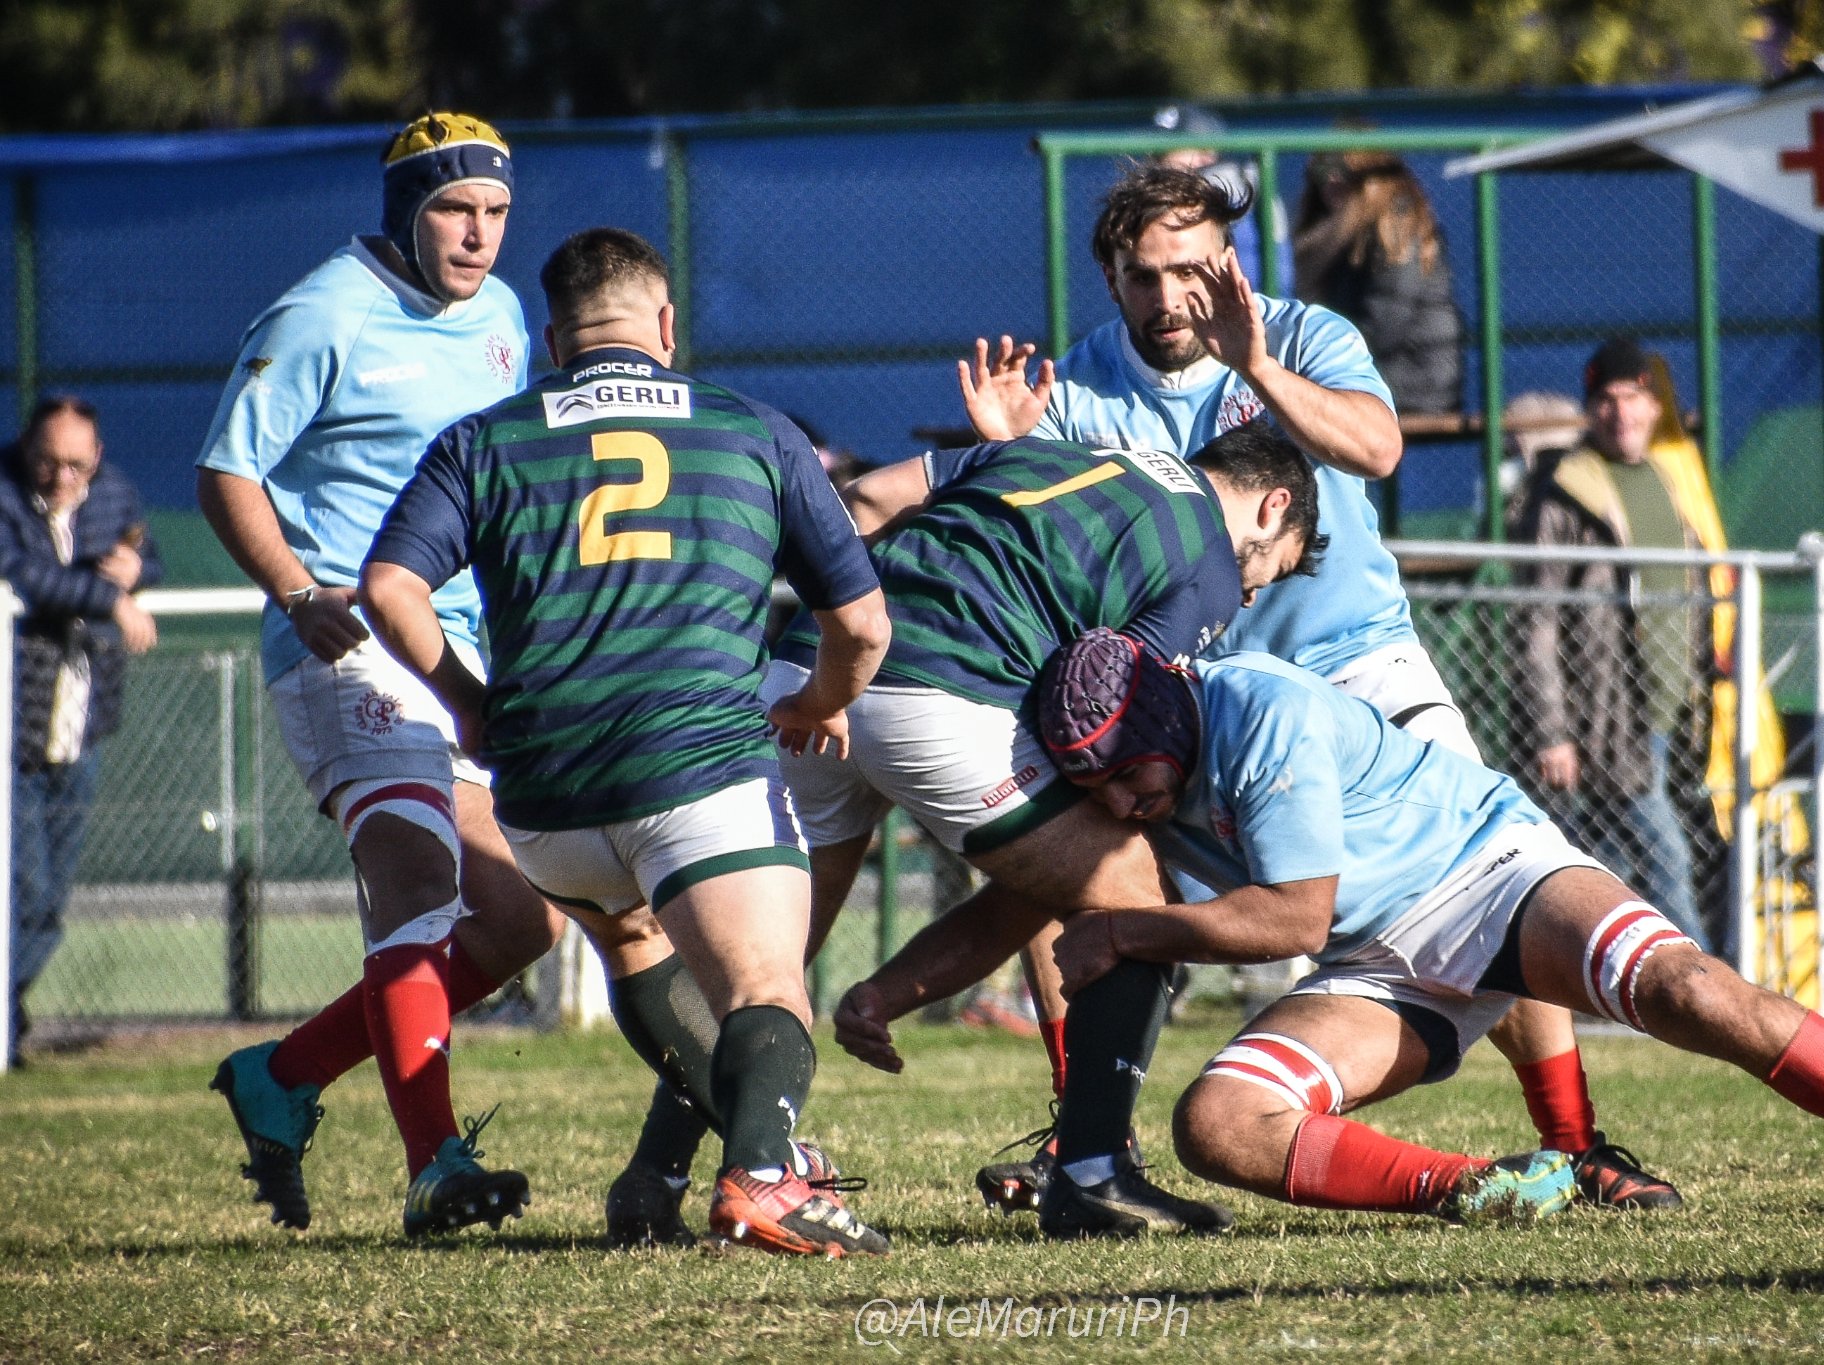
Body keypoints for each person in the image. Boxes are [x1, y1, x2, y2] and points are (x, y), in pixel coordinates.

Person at [957, 163, 1676, 1216]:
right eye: (1142, 275)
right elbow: (1045, 537)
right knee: (1060, 871)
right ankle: (1088, 1147)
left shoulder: (1303, 335)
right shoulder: (1067, 388)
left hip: (1354, 666)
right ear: (1108, 279)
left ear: (1230, 264)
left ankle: (1573, 1144)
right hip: (1192, 707)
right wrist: (1004, 456)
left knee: (1498, 882)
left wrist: (1256, 365)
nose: (1167, 299)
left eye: (1189, 271)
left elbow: (1378, 448)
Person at [1032, 628, 1824, 1220]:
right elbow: (1013, 885)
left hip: (1486, 873)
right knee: (1213, 1126)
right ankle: (1482, 1186)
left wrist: (1127, 933)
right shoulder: (1136, 769)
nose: (1116, 806)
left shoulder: (1257, 710)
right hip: (1374, 966)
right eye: (1093, 788)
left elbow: (1293, 912)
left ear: (1163, 725)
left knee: (1688, 989)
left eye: (1124, 776)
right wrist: (883, 996)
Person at [360, 226, 893, 1257]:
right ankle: (765, 1180)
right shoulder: (750, 427)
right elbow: (863, 624)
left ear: (554, 339)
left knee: (636, 942)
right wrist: (824, 702)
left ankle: (652, 1188)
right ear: (665, 327)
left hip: (544, 792)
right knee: (766, 986)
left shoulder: (486, 436)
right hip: (693, 762)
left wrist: (468, 704)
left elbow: (388, 586)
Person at [778, 424, 1322, 1241]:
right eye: (1266, 573)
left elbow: (866, 499)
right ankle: (1096, 1170)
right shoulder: (1209, 554)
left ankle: (672, 1171)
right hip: (939, 685)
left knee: (764, 953)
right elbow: (1110, 703)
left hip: (807, 664)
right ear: (1274, 504)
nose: (1247, 598)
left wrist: (849, 647)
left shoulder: (1056, 448)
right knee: (1132, 889)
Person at [195, 112, 564, 1237]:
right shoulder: (325, 311)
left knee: (516, 928)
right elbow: (226, 471)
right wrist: (299, 593)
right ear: (406, 208)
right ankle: (434, 1166)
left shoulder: (501, 317)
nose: (479, 236)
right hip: (346, 646)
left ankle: (285, 1073)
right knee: (414, 877)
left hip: (454, 653)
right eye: (456, 209)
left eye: (497, 213)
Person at [1509, 336, 1714, 950]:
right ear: (1589, 409)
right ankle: (1711, 985)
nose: (1619, 413)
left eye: (1631, 397)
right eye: (1605, 400)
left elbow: (1693, 589)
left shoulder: (1664, 480)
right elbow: (1535, 624)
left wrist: (1706, 677)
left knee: (1606, 865)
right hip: (1603, 717)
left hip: (1668, 713)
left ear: (1654, 406)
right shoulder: (1569, 489)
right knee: (1665, 857)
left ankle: (1603, 992)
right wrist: (1551, 731)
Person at [0, 396, 159, 1067]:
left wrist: (135, 573)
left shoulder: (114, 492)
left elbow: (149, 559)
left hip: (79, 726)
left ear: (94, 456)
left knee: (50, 899)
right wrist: (110, 599)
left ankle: (7, 1011)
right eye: (47, 461)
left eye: (74, 463)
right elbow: (22, 574)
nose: (61, 477)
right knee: (22, 886)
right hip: (13, 729)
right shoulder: (6, 496)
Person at [1293, 148, 1463, 415]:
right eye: (1323, 169)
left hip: (1416, 382)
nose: (1332, 179)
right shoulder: (1334, 234)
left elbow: (1386, 324)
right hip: (1372, 369)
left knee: (1300, 399)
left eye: (1344, 169)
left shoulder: (1396, 223)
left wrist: (1321, 358)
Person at [1152, 104, 1293, 298]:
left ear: (1206, 154)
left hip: (1248, 311)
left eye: (1167, 150)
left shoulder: (1224, 186)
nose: (1156, 160)